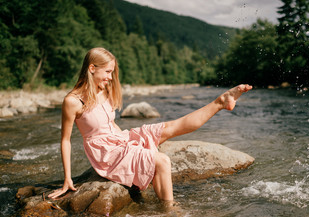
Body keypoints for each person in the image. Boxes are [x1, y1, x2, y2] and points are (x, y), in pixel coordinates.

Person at [48, 47, 252, 203]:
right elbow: (65, 140)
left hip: (119, 138)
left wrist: (131, 141)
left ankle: (220, 101)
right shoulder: (72, 101)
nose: (110, 77)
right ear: (92, 68)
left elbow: (110, 124)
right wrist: (68, 179)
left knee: (171, 127)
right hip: (105, 152)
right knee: (161, 161)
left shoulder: (105, 91)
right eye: (107, 72)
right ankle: (170, 211)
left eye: (112, 72)